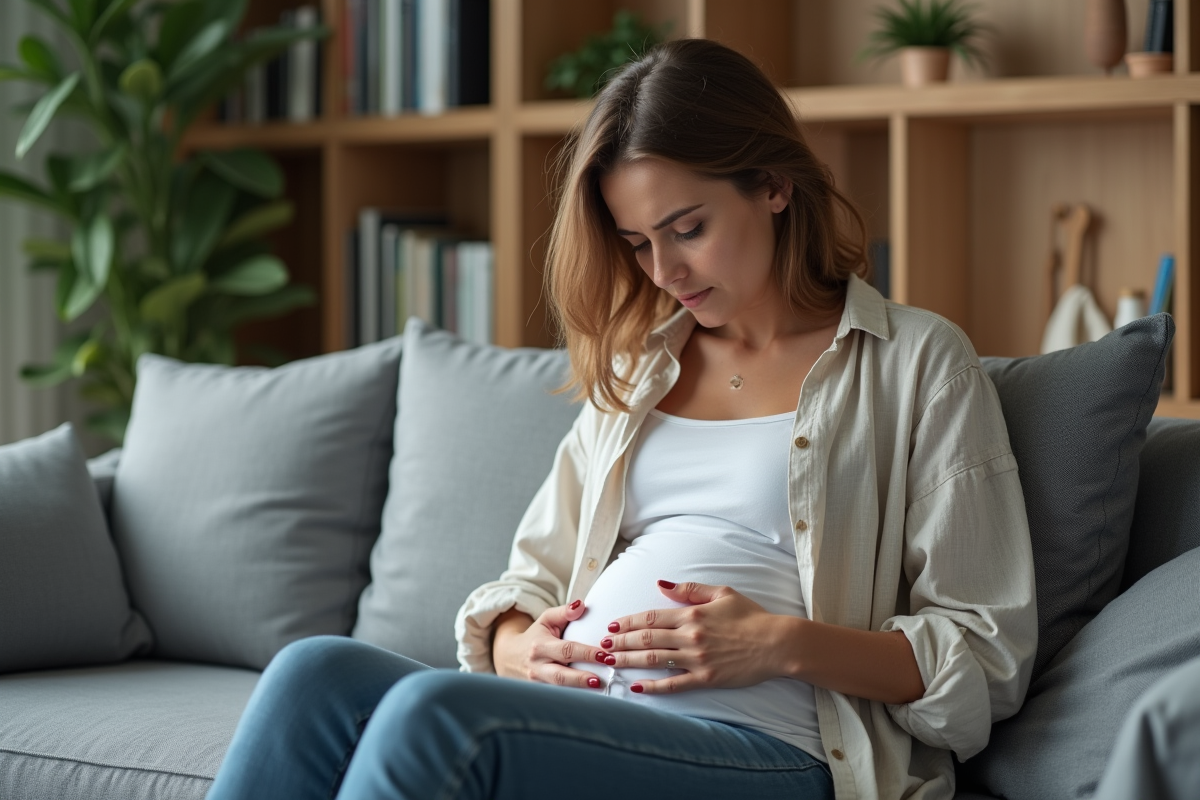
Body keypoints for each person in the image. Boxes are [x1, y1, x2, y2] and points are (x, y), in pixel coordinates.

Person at [206, 38, 1037, 800]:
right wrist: (514, 646)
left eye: (688, 229)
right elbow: (530, 580)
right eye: (639, 243)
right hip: (590, 720)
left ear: (776, 185)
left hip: (774, 750)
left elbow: (988, 658)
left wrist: (781, 644)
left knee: (439, 718)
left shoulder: (917, 362)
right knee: (312, 673)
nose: (666, 270)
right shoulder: (641, 370)